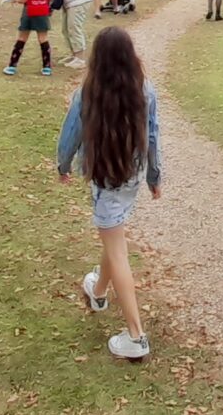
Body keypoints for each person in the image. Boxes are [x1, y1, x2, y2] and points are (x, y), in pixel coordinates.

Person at [56, 26, 163, 361]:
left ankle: (136, 336)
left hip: (105, 182)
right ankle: (98, 290)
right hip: (131, 179)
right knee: (113, 237)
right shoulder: (145, 90)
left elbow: (69, 135)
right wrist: (155, 177)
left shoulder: (87, 92)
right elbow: (153, 138)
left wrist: (62, 166)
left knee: (117, 249)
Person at [4, 0, 55, 76]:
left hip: (29, 12)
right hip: (42, 11)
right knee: (43, 39)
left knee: (22, 38)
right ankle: (47, 67)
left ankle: (12, 66)